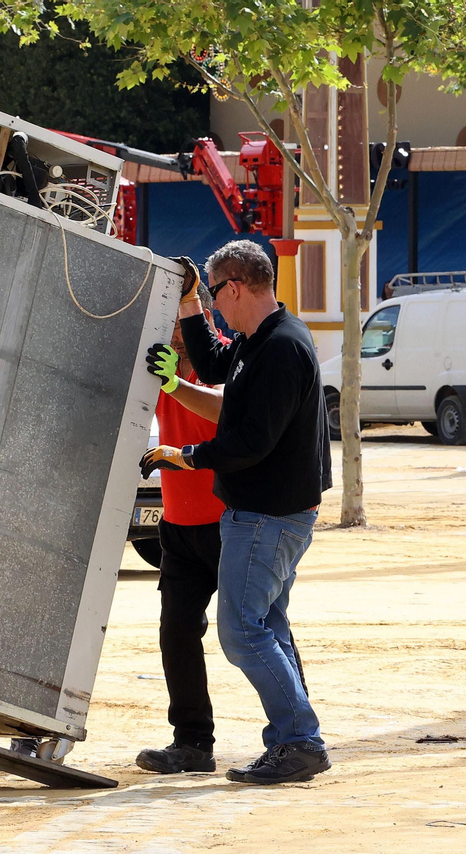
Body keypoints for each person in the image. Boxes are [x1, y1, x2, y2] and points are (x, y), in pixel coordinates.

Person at [140, 241, 332, 784]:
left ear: (238, 287)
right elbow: (216, 362)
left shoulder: (279, 349)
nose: (218, 312)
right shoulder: (260, 341)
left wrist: (188, 455)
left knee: (243, 633)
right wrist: (189, 303)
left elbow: (250, 440)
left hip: (268, 515)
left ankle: (300, 741)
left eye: (217, 297)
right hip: (259, 512)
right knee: (263, 624)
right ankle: (291, 741)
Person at [133, 278, 231, 776]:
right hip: (178, 525)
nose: (172, 336)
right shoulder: (158, 367)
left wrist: (174, 384)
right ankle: (193, 744)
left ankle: (295, 736)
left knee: (257, 631)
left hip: (230, 525)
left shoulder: (228, 360)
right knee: (176, 633)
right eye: (166, 326)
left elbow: (220, 420)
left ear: (200, 322)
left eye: (179, 325)